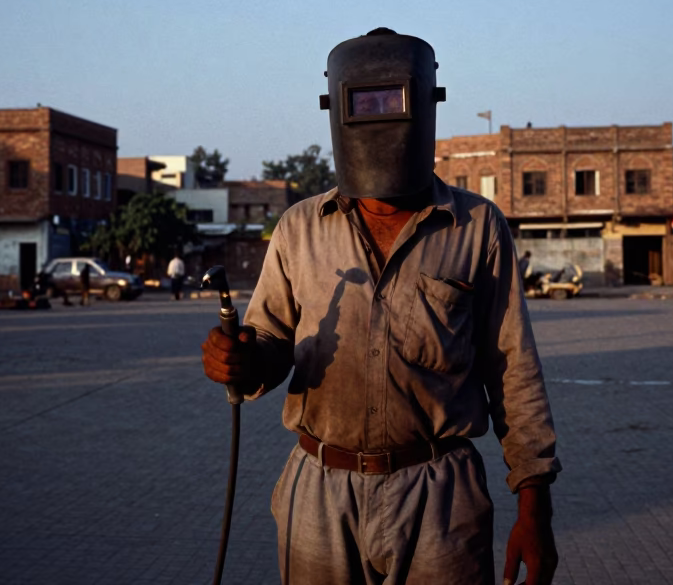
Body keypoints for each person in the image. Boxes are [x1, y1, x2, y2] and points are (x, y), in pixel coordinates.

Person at [202, 29, 559, 585]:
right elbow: (267, 342)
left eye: (390, 101)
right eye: (362, 104)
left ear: (428, 104)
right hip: (319, 489)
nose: (378, 124)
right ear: (336, 112)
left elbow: (514, 371)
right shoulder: (299, 228)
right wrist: (241, 362)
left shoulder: (477, 226)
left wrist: (535, 508)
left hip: (441, 493)